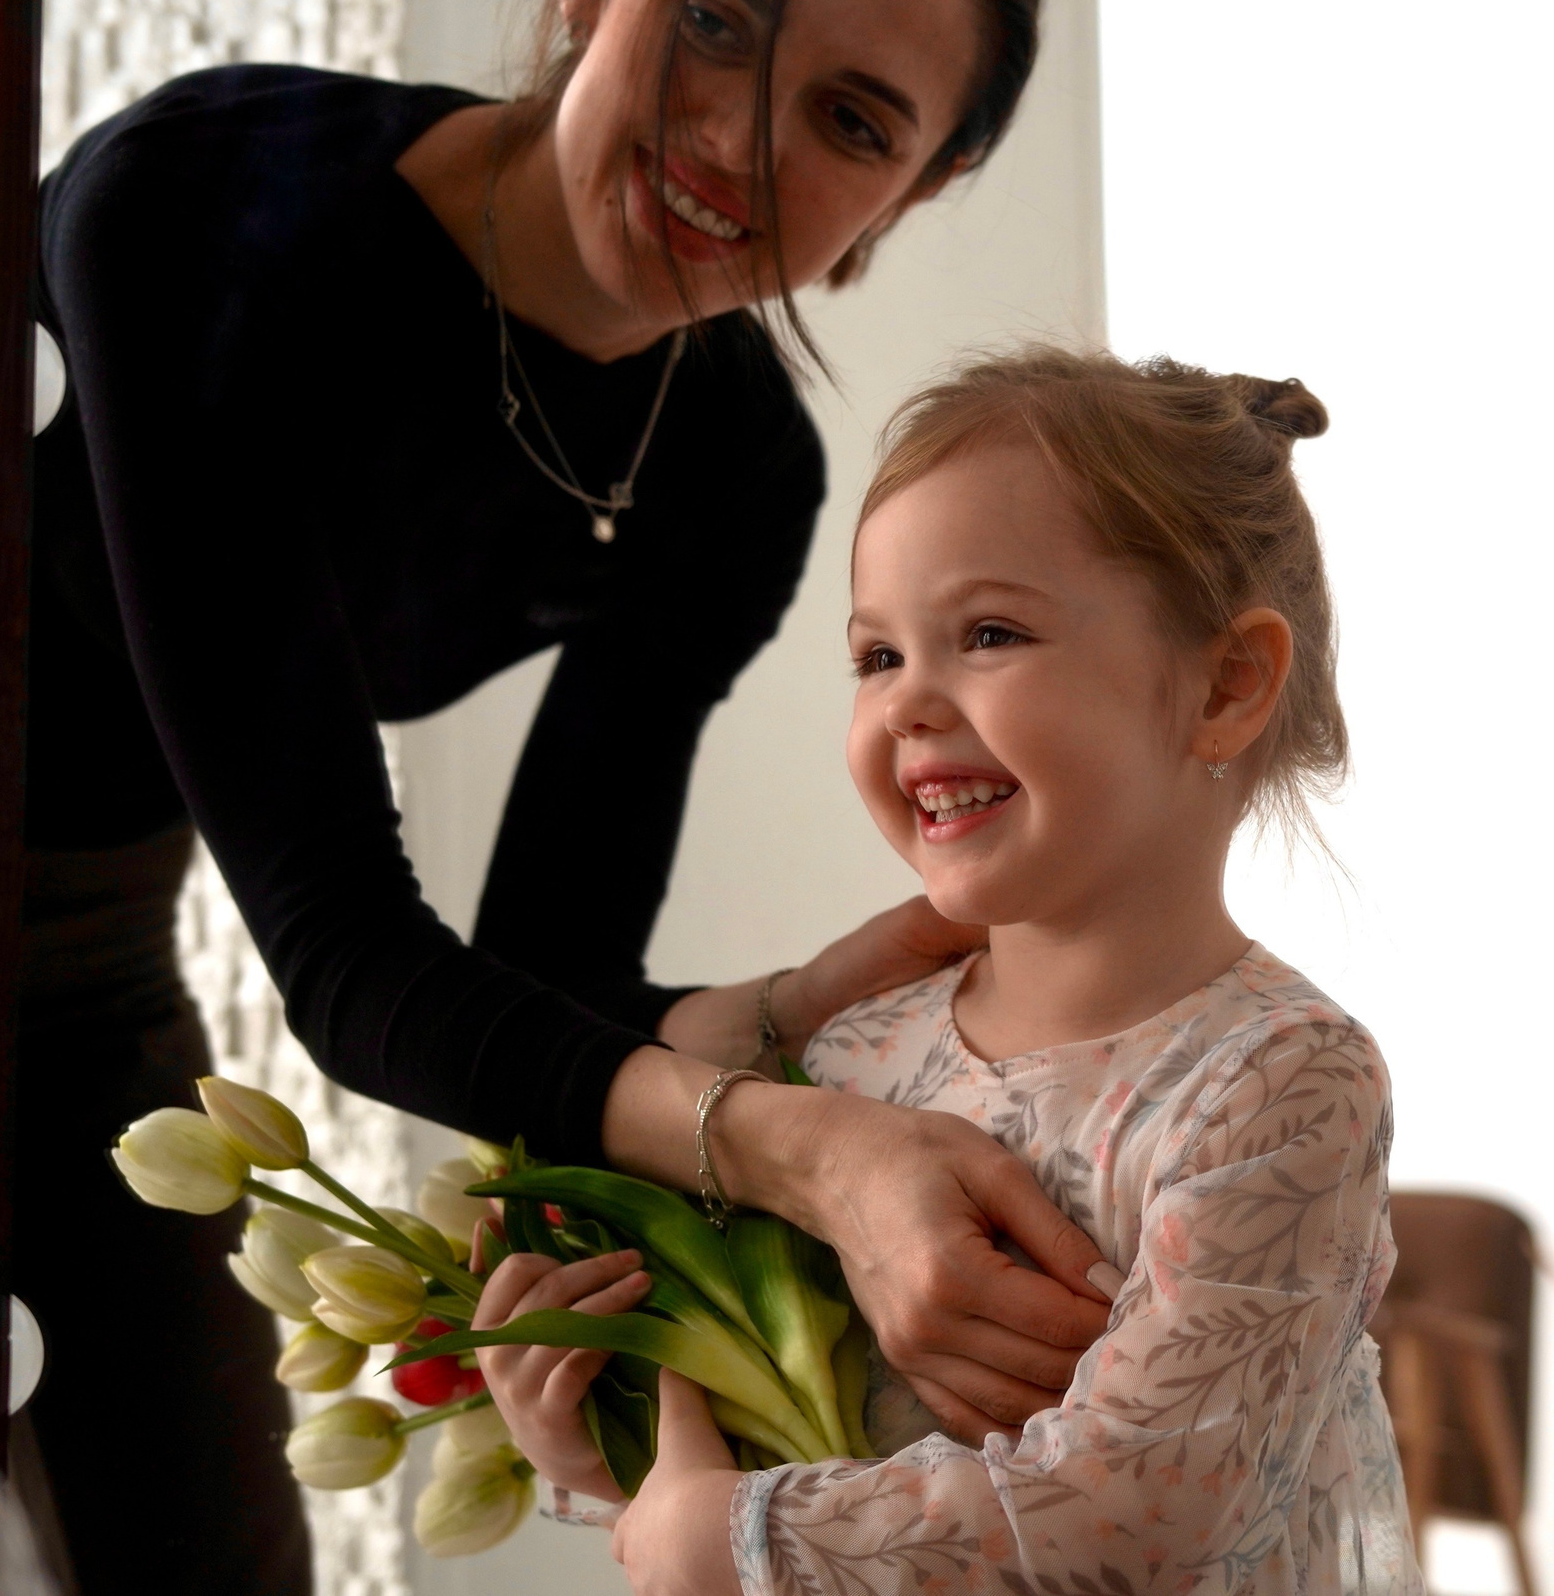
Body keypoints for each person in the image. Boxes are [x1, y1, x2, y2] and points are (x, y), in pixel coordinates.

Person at [21, 0, 1112, 1592]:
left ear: (918, 186)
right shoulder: (215, 205)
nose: (731, 141)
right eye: (715, 23)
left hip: (72, 966)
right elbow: (345, 950)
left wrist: (781, 1018)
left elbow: (544, 977)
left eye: (850, 120)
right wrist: (798, 1146)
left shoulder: (734, 470)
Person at [472, 348, 1419, 1595]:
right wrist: (597, 1455)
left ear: (1224, 687)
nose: (908, 703)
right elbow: (793, 1444)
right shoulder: (853, 1053)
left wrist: (739, 1544)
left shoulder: (1279, 1085)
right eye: (876, 657)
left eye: (987, 634)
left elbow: (1137, 1515)